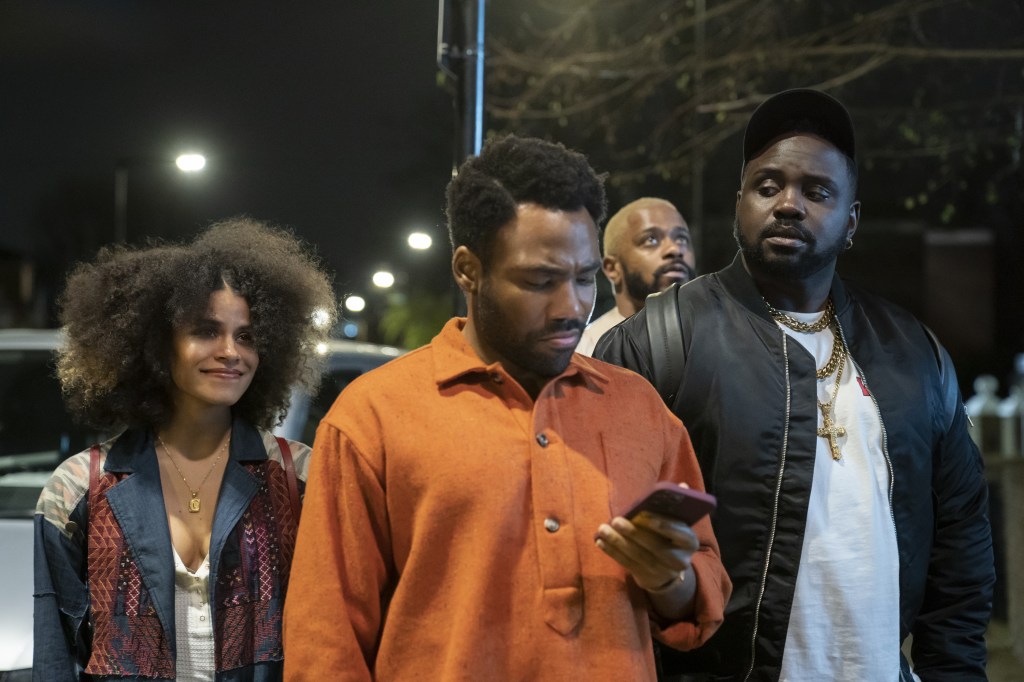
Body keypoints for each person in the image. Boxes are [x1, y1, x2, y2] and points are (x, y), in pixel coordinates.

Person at [283, 135, 731, 680]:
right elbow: (325, 640)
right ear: (468, 270)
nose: (572, 307)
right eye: (540, 281)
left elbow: (705, 590)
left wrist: (670, 580)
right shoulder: (372, 415)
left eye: (585, 278)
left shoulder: (640, 408)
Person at [596, 88, 995, 681]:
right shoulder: (656, 342)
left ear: (851, 221)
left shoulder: (913, 352)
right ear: (739, 203)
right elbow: (607, 552)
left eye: (817, 191)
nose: (788, 204)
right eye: (768, 186)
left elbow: (960, 547)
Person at [33, 217, 337, 681]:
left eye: (247, 335)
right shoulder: (76, 490)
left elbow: (331, 636)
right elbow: (55, 659)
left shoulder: (300, 478)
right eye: (206, 331)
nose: (231, 351)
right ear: (156, 344)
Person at [577, 197, 695, 356]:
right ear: (613, 268)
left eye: (681, 239)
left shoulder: (717, 338)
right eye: (651, 239)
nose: (675, 249)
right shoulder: (584, 353)